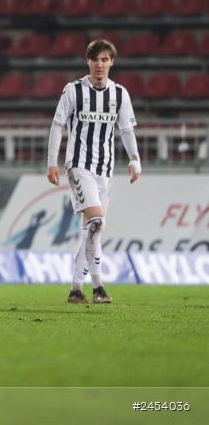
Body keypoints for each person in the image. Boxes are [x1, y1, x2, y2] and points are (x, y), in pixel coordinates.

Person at [47, 39, 140, 305]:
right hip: (78, 165)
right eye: (95, 59)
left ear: (112, 62)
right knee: (97, 222)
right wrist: (52, 162)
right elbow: (57, 126)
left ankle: (76, 289)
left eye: (105, 59)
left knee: (91, 229)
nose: (100, 64)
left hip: (105, 170)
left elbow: (126, 130)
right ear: (87, 61)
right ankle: (98, 286)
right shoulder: (74, 90)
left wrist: (135, 160)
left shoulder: (120, 94)